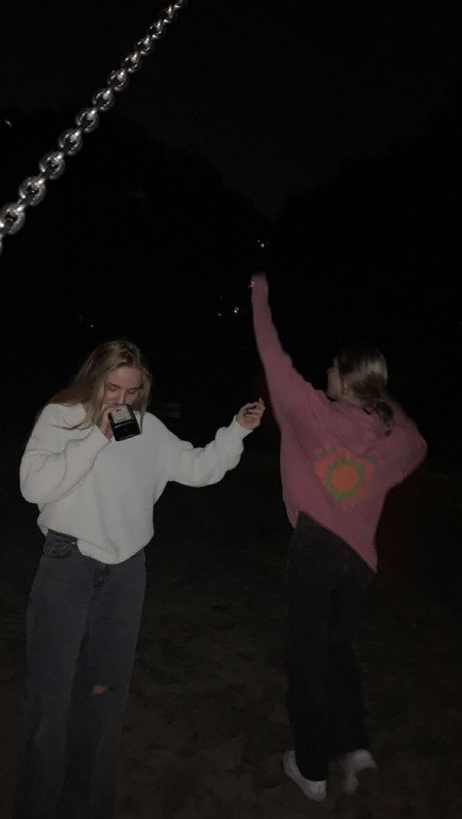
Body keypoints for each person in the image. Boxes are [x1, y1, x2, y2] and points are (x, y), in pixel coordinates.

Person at [15, 339, 264, 819]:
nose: (121, 402)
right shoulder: (62, 416)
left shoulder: (148, 430)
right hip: (67, 566)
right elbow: (34, 486)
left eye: (132, 392)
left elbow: (197, 468)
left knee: (105, 701)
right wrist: (96, 437)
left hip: (126, 573)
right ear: (95, 380)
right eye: (112, 388)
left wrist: (237, 430)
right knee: (50, 704)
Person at [250, 274, 426, 802]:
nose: (325, 369)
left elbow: (272, 355)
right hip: (360, 561)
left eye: (333, 365)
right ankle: (354, 745)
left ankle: (312, 770)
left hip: (316, 549)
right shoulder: (395, 437)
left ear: (346, 377)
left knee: (306, 659)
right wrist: (376, 394)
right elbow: (419, 440)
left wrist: (259, 294)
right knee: (337, 649)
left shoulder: (312, 414)